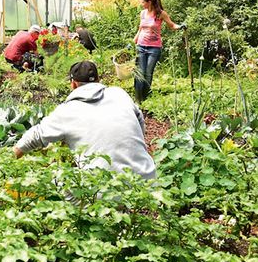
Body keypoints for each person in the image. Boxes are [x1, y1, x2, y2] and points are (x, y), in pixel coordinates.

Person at [13, 61, 156, 179]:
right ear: (99, 80)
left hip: (104, 191)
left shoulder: (67, 111)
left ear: (73, 84)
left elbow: (36, 136)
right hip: (146, 180)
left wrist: (8, 161)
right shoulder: (119, 94)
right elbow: (140, 120)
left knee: (60, 181)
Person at [133, 0, 185, 102]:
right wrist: (135, 38)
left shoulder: (160, 14)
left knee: (148, 73)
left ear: (149, 2)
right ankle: (138, 98)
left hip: (154, 48)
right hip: (141, 46)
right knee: (140, 72)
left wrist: (181, 26)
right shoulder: (142, 13)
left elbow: (171, 25)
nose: (141, 4)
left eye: (143, 2)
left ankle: (145, 97)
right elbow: (140, 28)